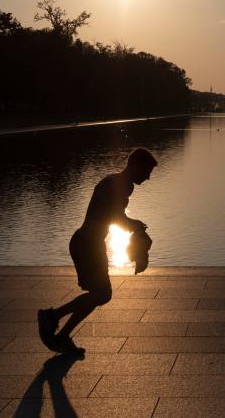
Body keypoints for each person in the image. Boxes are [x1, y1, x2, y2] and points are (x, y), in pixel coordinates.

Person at [37, 147, 158, 355]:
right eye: (146, 172)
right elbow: (116, 218)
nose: (147, 178)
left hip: (89, 243)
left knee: (99, 294)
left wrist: (133, 226)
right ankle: (53, 317)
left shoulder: (119, 183)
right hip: (86, 245)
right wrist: (135, 225)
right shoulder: (120, 184)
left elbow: (112, 216)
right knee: (102, 294)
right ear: (135, 165)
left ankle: (62, 333)